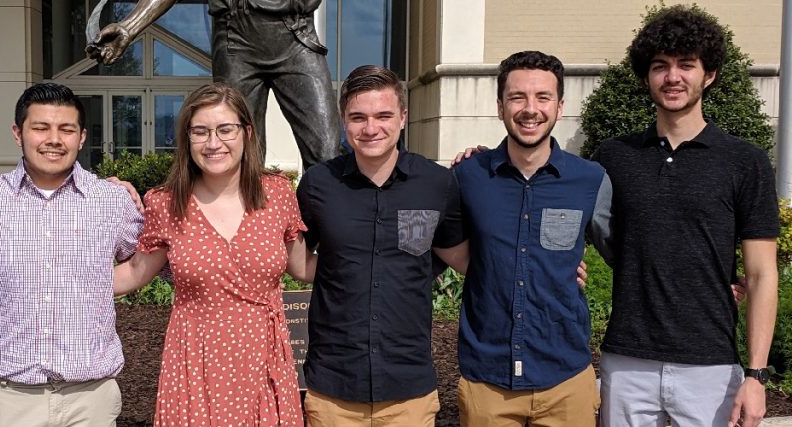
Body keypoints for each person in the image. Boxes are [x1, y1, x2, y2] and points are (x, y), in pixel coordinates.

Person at [593, 7, 780, 427]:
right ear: (646, 76)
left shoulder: (744, 162)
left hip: (709, 366)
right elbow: (559, 210)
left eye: (686, 65)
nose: (672, 77)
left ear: (708, 74)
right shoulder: (613, 157)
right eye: (660, 66)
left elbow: (763, 275)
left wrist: (756, 375)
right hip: (627, 361)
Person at [113, 82, 314, 426]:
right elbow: (134, 272)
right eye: (201, 132)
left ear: (247, 133)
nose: (213, 143)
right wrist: (57, 279)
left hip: (263, 360)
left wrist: (373, 257)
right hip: (196, 361)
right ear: (187, 138)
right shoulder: (166, 202)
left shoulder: (276, 193)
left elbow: (303, 266)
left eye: (225, 129)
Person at [295, 64, 468, 426]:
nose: (371, 128)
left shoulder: (437, 183)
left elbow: (464, 258)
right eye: (358, 117)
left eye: (383, 115)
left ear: (403, 117)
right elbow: (298, 263)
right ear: (343, 120)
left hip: (409, 391)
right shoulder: (318, 184)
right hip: (333, 389)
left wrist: (548, 263)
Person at [452, 50, 612, 425]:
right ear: (499, 106)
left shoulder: (590, 180)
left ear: (559, 106)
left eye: (542, 97)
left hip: (566, 380)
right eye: (517, 97)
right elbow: (441, 249)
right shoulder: (467, 177)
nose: (530, 109)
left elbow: (631, 256)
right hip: (487, 382)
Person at [0, 83, 143, 426]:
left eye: (66, 129)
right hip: (8, 398)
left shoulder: (111, 201)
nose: (54, 139)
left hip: (90, 400)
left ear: (81, 137)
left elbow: (156, 260)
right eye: (40, 128)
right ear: (17, 133)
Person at [87, 0, 340, 169]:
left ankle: (315, 242)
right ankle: (250, 239)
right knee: (241, 158)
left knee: (326, 155)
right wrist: (129, 27)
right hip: (235, 40)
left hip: (297, 35)